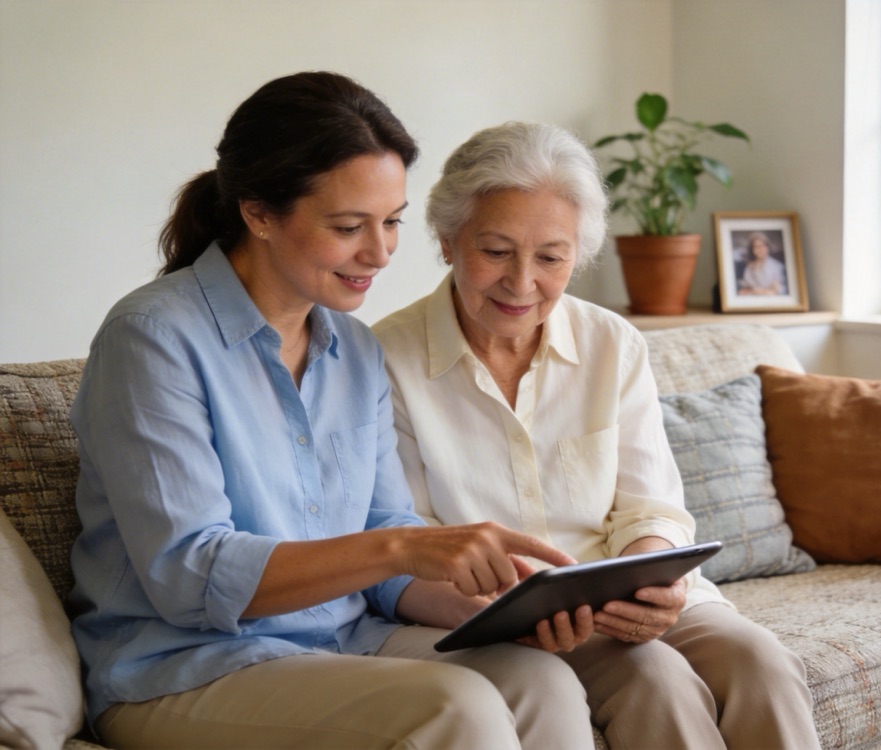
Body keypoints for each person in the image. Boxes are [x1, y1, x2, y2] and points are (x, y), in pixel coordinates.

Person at [68, 73, 596, 750]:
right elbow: (188, 574)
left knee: (540, 677)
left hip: (341, 641)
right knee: (454, 703)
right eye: (349, 227)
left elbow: (384, 540)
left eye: (392, 222)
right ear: (258, 213)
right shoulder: (152, 338)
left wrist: (502, 610)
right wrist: (403, 546)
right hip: (181, 668)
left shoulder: (353, 350)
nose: (380, 254)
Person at [373, 121, 823, 750]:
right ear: (448, 240)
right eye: (496, 251)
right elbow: (403, 540)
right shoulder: (383, 361)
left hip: (619, 596)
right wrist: (507, 609)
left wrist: (655, 576)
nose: (522, 282)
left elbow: (652, 504)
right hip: (494, 618)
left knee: (763, 664)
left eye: (551, 257)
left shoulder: (612, 343)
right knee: (654, 679)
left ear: (577, 257)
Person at [738, 231, 787, 295]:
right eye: (756, 246)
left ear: (768, 247)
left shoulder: (777, 266)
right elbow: (746, 287)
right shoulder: (749, 267)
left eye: (763, 245)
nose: (760, 249)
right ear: (752, 250)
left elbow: (779, 291)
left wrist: (757, 291)